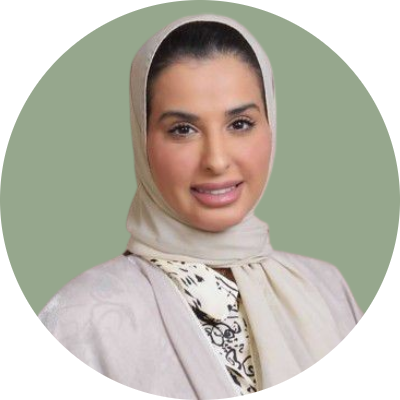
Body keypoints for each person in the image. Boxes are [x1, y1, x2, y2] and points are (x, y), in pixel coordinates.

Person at [38, 14, 363, 397]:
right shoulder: (83, 320)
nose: (216, 160)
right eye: (183, 129)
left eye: (240, 123)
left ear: (271, 124)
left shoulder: (327, 290)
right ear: (143, 139)